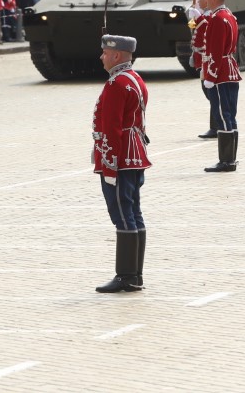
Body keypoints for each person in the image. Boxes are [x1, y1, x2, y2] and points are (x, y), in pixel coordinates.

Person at [92, 34, 150, 294]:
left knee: (122, 214)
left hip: (122, 157)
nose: (102, 56)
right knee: (133, 212)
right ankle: (134, 274)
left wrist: (109, 166)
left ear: (117, 55)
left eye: (105, 52)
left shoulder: (116, 84)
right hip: (135, 152)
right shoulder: (134, 78)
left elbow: (112, 129)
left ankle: (127, 275)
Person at [197, 0, 242, 173]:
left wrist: (211, 75)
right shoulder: (229, 15)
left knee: (223, 116)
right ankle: (230, 159)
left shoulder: (217, 19)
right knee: (230, 116)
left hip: (220, 73)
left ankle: (226, 161)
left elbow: (215, 50)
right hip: (229, 69)